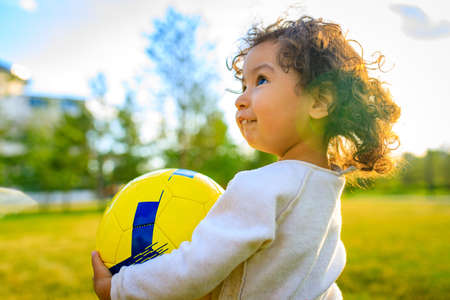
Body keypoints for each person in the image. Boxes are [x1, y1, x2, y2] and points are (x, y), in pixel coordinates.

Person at [92, 15, 400, 300]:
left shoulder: (262, 187)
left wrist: (119, 288)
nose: (240, 99)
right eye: (243, 85)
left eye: (261, 80)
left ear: (318, 101)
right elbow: (320, 281)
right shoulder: (325, 187)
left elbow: (195, 266)